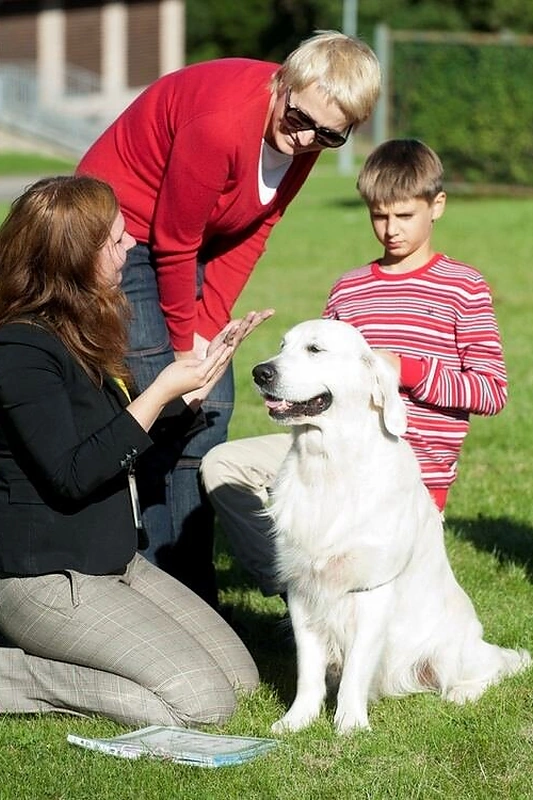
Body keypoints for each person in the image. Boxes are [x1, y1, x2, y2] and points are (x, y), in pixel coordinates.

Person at [75, 30, 382, 607]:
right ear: (283, 86)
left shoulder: (305, 136)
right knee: (167, 401)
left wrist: (207, 333)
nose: (305, 139)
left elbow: (253, 232)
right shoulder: (220, 122)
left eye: (329, 135)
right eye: (299, 118)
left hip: (193, 237)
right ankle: (144, 587)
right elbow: (173, 237)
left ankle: (194, 598)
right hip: (124, 230)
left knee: (210, 408)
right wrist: (185, 347)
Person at [0, 175, 267, 727]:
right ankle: (16, 676)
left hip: (114, 563)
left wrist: (187, 392)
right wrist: (160, 390)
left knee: (240, 681)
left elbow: (110, 435)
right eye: (116, 241)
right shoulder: (19, 347)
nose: (129, 249)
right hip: (50, 577)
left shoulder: (77, 328)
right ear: (75, 257)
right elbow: (73, 473)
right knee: (198, 703)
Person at [200, 138, 508, 597]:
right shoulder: (349, 289)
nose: (390, 230)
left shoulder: (463, 287)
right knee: (223, 465)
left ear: (437, 205)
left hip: (406, 476)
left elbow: (491, 392)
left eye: (404, 216)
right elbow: (320, 383)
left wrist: (408, 370)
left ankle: (329, 596)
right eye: (379, 215)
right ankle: (292, 586)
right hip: (329, 457)